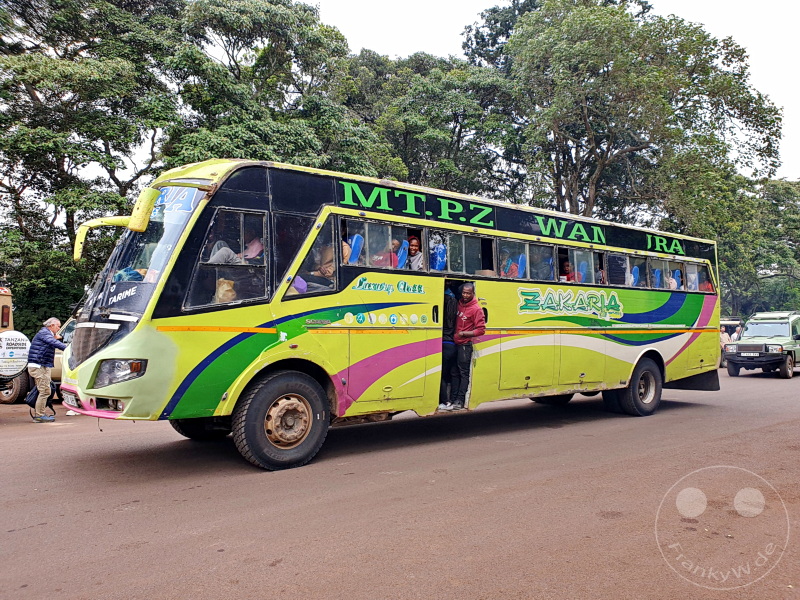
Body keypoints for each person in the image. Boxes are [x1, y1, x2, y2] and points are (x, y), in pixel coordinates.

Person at [445, 282, 486, 410]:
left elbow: (481, 330)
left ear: (473, 293)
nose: (465, 295)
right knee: (454, 372)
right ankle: (453, 399)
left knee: (463, 373)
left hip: (465, 345)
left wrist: (464, 334)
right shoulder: (459, 304)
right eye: (464, 292)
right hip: (455, 343)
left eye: (468, 293)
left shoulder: (476, 309)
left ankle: (460, 400)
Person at [27, 317, 67, 423]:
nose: (59, 328)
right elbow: (53, 343)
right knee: (45, 391)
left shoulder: (47, 333)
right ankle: (39, 415)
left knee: (46, 390)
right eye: (58, 325)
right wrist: (68, 348)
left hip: (43, 365)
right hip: (38, 365)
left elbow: (52, 341)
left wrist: (56, 338)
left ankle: (40, 413)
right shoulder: (44, 333)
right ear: (52, 325)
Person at [438, 289, 458, 410]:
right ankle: (453, 399)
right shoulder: (455, 310)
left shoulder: (443, 314)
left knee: (442, 375)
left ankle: (445, 402)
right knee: (454, 374)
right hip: (453, 345)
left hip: (444, 345)